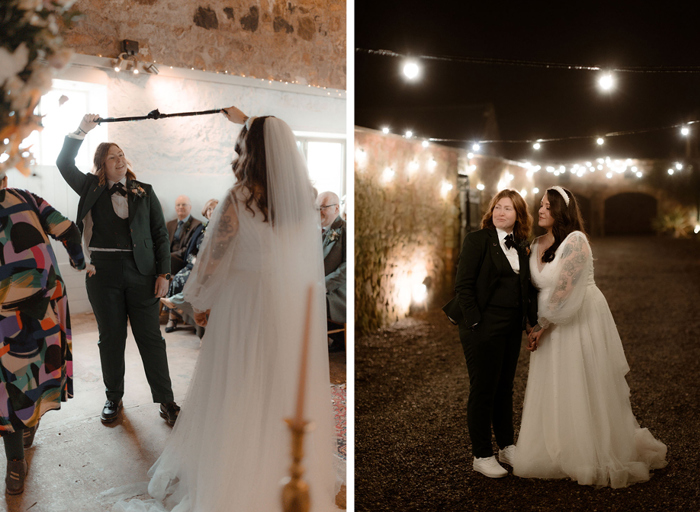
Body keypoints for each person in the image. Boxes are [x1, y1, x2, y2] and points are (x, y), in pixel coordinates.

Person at [114, 107, 337, 511]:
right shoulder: (303, 195)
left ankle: (234, 468)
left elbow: (213, 258)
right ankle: (282, 466)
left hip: (244, 303)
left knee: (236, 381)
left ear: (248, 150)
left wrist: (198, 303)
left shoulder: (240, 197)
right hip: (287, 304)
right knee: (277, 382)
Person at [513, 186, 667, 487]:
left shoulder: (576, 241)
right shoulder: (536, 243)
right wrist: (530, 325)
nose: (541, 209)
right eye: (541, 204)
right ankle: (554, 447)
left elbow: (566, 288)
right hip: (545, 326)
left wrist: (544, 324)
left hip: (576, 319)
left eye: (547, 205)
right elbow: (531, 289)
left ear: (562, 211)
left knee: (579, 380)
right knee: (554, 383)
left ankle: (588, 449)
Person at [55, 115, 180, 426]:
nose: (120, 159)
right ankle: (113, 397)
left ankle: (166, 399)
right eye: (112, 157)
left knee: (151, 337)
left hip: (143, 274)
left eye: (121, 154)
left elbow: (160, 234)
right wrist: (82, 128)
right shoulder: (89, 186)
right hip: (103, 273)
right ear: (102, 165)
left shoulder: (144, 191)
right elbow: (63, 162)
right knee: (111, 337)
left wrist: (164, 274)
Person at [442, 189, 538, 478]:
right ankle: (481, 454)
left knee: (504, 387)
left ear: (518, 215)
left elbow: (525, 290)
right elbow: (464, 287)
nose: (500, 212)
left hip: (510, 327)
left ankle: (506, 446)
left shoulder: (522, 246)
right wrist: (475, 324)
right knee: (483, 389)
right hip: (482, 326)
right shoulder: (477, 240)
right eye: (497, 207)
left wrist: (529, 323)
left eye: (508, 208)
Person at [0, 171, 85, 494]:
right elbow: (69, 230)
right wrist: (78, 261)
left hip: (6, 314)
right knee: (35, 370)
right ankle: (28, 427)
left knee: (8, 386)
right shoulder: (27, 198)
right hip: (46, 305)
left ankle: (16, 462)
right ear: (4, 179)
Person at [162, 198, 218, 334]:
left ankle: (176, 305)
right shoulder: (204, 227)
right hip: (195, 264)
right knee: (179, 277)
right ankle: (173, 314)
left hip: (209, 267)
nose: (211, 212)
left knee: (187, 280)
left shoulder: (220, 229)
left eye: (214, 209)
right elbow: (192, 250)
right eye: (209, 209)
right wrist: (193, 262)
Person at [316, 191, 346, 352]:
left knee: (308, 301)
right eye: (316, 208)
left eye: (323, 207)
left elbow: (347, 267)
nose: (319, 212)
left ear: (336, 209)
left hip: (337, 291)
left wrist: (325, 285)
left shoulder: (345, 230)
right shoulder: (315, 232)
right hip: (315, 286)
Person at [166, 195, 202, 276]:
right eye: (178, 205)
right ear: (175, 208)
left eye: (184, 204)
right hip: (168, 257)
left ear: (190, 207)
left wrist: (167, 256)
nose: (180, 207)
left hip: (182, 259)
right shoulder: (170, 224)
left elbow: (189, 248)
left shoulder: (197, 225)